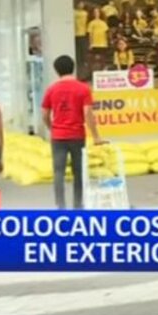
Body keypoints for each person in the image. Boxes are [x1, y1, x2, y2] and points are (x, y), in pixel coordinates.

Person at [42, 55, 105, 209]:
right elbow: (88, 114)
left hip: (58, 137)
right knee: (79, 172)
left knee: (59, 172)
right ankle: (77, 205)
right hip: (77, 136)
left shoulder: (51, 89)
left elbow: (44, 114)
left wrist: (52, 128)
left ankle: (60, 206)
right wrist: (96, 136)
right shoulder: (83, 89)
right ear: (73, 67)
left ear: (56, 71)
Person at [74, 2, 88, 74]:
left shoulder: (85, 13)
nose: (81, 5)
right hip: (74, 34)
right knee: (77, 50)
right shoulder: (74, 12)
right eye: (80, 4)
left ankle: (83, 62)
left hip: (83, 33)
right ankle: (78, 62)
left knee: (83, 49)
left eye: (82, 4)